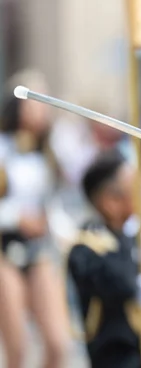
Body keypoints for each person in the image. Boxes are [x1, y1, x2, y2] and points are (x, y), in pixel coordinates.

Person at [68, 151, 141, 368]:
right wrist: (130, 235)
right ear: (111, 202)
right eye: (138, 188)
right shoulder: (87, 248)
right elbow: (124, 284)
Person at [0, 93, 69, 368]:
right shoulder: (3, 149)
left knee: (57, 342)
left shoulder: (48, 152)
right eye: (33, 106)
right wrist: (18, 218)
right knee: (18, 347)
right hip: (6, 249)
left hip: (40, 248)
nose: (41, 112)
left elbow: (55, 202)